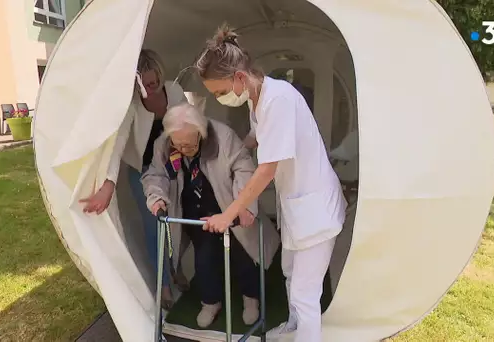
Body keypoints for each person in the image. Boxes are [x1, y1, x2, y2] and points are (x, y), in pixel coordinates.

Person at [193, 25, 348, 341]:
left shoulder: (278, 100)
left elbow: (266, 170)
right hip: (296, 206)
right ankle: (292, 329)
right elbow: (255, 137)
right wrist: (233, 148)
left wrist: (228, 214)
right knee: (290, 274)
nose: (220, 99)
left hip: (315, 209)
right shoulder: (257, 96)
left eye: (220, 92)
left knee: (306, 295)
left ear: (239, 78)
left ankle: (305, 334)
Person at [142, 102, 280, 328]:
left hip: (228, 205)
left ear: (201, 132)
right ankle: (210, 302)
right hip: (195, 211)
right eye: (179, 145)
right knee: (205, 259)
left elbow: (244, 168)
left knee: (243, 256)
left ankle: (250, 299)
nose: (183, 150)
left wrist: (243, 207)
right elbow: (155, 175)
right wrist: (156, 197)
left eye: (188, 145)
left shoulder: (223, 137)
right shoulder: (165, 144)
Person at [79, 49, 188, 310]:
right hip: (142, 172)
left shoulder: (174, 91)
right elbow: (116, 148)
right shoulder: (132, 106)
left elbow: (190, 123)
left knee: (179, 220)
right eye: (145, 85)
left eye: (155, 83)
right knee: (155, 227)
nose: (150, 90)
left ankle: (178, 269)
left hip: (174, 165)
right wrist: (108, 185)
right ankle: (163, 285)